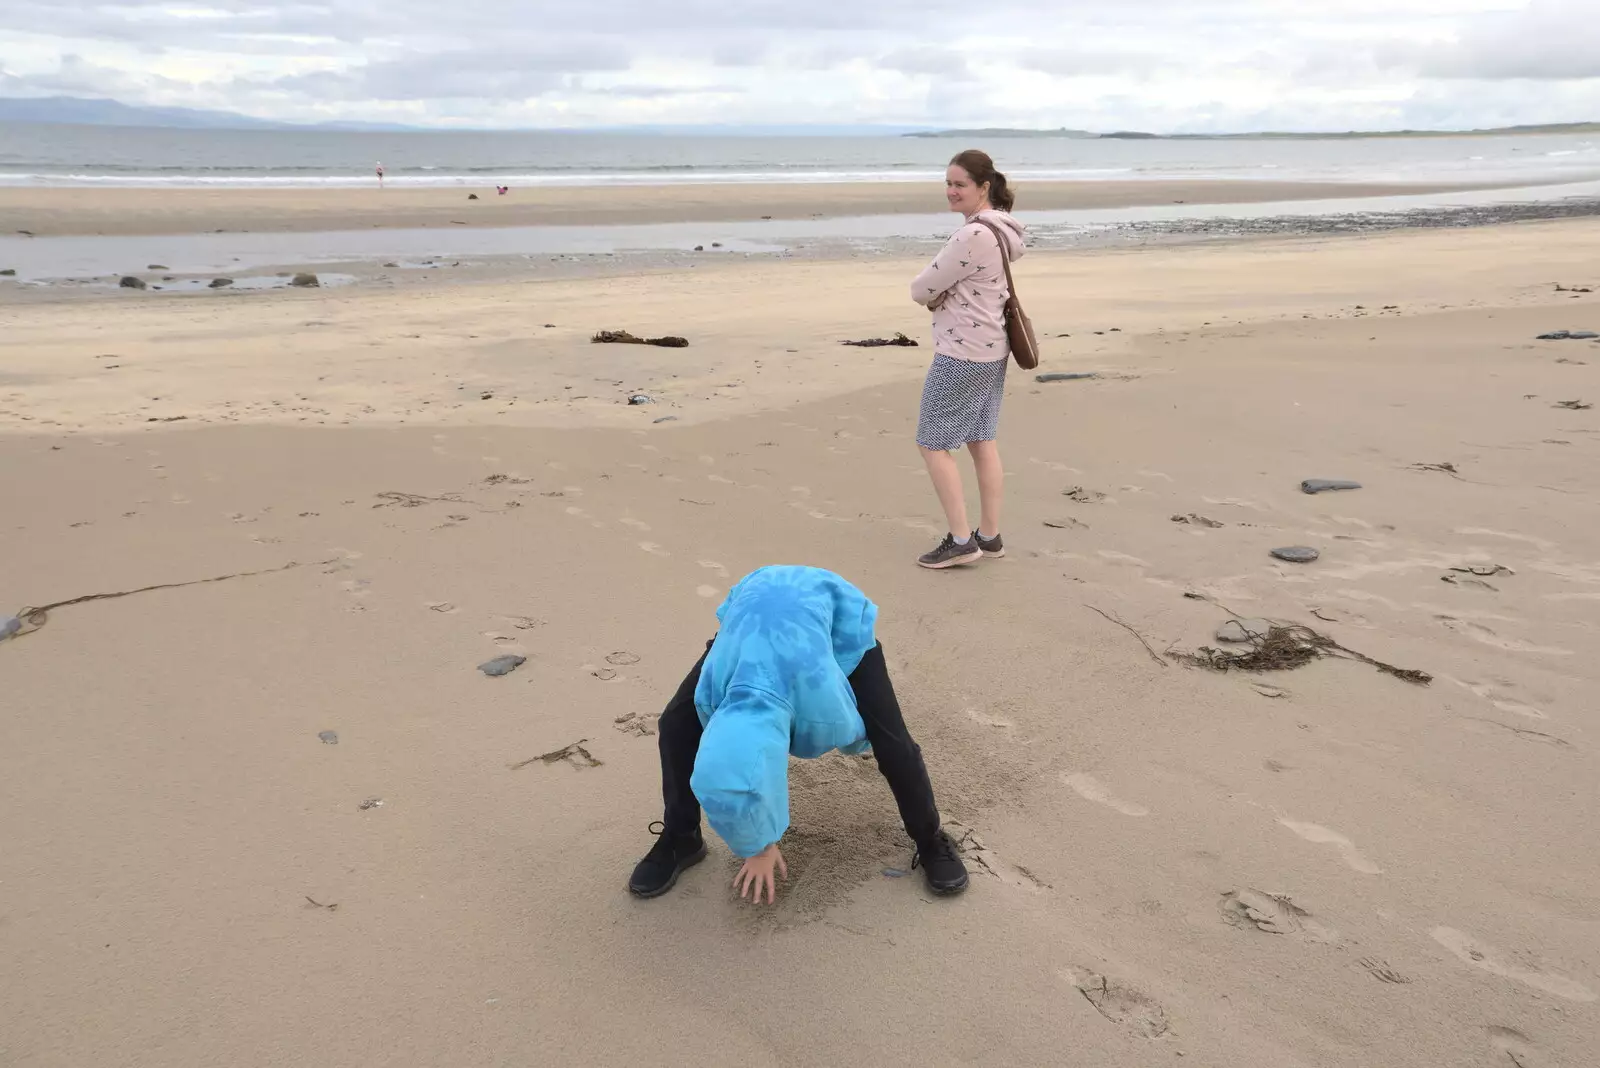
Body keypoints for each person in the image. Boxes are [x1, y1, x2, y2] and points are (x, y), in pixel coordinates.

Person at [627, 565, 969, 904]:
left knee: (893, 745)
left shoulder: (822, 702)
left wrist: (762, 846)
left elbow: (849, 732)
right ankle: (681, 836)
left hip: (833, 620)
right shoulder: (715, 686)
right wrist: (760, 845)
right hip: (753, 618)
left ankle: (929, 838)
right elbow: (728, 747)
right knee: (675, 724)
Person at [907, 149, 1026, 570]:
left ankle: (961, 540)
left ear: (984, 188)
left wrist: (937, 293)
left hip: (962, 353)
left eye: (960, 184)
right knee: (981, 439)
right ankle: (989, 536)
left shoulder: (973, 235)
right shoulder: (1002, 231)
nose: (951, 191)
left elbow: (922, 288)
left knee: (932, 442)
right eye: (948, 183)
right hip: (992, 350)